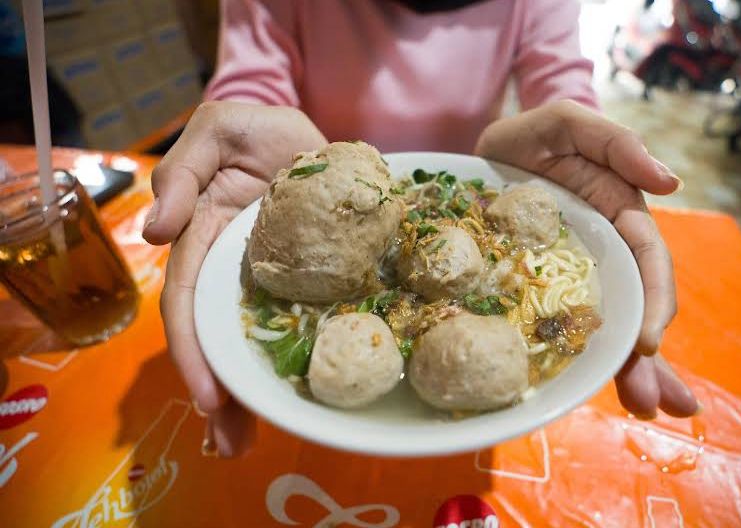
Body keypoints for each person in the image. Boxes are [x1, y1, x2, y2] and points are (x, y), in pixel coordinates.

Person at [142, 0, 699, 457]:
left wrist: (574, 134)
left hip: (482, 176)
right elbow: (254, 70)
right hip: (309, 201)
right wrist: (244, 120)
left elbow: (559, 78)